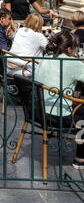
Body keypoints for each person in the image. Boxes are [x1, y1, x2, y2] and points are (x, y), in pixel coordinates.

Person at [34, 31, 84, 170]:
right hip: (59, 117)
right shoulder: (72, 62)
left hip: (38, 112)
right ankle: (80, 157)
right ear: (69, 49)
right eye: (75, 48)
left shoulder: (46, 57)